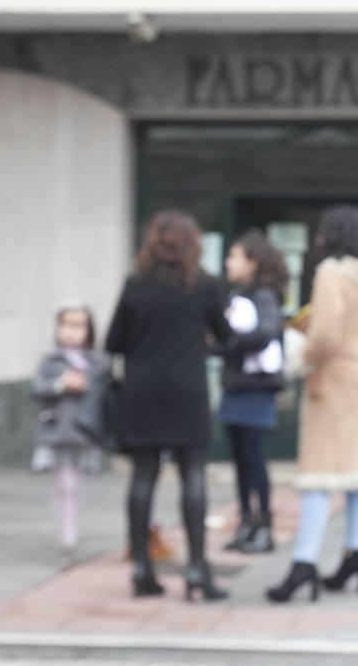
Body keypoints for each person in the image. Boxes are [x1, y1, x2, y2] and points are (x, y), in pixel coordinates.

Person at [266, 206, 358, 603]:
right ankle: (353, 556)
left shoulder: (331, 273)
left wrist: (300, 359)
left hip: (337, 382)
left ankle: (302, 564)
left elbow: (324, 335)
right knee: (357, 475)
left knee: (319, 476)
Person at [105, 210, 232, 602]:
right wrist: (199, 343)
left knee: (143, 476)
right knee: (193, 473)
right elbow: (225, 338)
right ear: (193, 243)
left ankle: (142, 567)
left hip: (142, 390)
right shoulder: (205, 285)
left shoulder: (135, 284)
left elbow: (114, 343)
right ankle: (196, 568)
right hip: (187, 390)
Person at [217, 229, 288, 554]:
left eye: (233, 256)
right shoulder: (238, 293)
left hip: (255, 389)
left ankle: (264, 528)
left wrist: (227, 336)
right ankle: (246, 522)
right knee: (241, 460)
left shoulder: (263, 294)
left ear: (253, 261)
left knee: (254, 458)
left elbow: (265, 333)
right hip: (237, 386)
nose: (227, 262)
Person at [31, 302, 109, 559]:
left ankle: (71, 529)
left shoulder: (96, 362)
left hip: (84, 431)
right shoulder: (50, 360)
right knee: (64, 483)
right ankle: (67, 531)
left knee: (74, 483)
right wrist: (60, 384)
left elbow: (104, 392)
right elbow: (37, 388)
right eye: (66, 325)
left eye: (78, 326)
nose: (71, 332)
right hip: (57, 430)